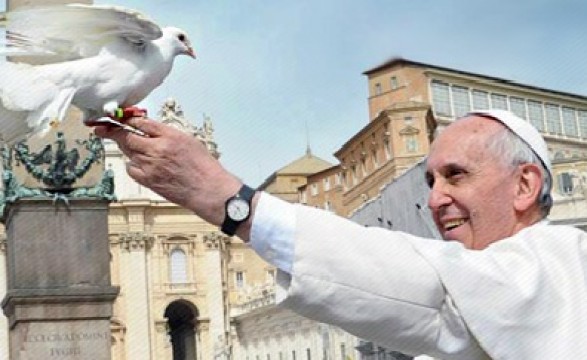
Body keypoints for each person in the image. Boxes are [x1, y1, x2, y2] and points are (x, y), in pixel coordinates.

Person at [95, 110, 587, 359]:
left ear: (525, 184)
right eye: (430, 181)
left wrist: (227, 199)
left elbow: (428, 287)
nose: (435, 199)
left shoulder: (561, 265)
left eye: (457, 176)